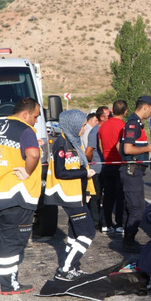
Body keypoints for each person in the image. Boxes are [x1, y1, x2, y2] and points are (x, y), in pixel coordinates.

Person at [0, 97, 41, 295]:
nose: (36, 121)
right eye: (35, 117)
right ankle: (9, 284)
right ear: (25, 114)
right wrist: (28, 171)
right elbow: (34, 155)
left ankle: (6, 277)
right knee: (13, 241)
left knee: (0, 238)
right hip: (14, 196)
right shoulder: (25, 130)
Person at [45, 109, 98, 281]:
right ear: (73, 125)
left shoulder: (74, 142)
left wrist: (87, 190)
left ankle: (73, 267)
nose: (84, 129)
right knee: (88, 232)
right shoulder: (62, 144)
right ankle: (65, 269)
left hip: (78, 194)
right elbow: (61, 172)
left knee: (75, 234)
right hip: (69, 196)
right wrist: (85, 174)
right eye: (82, 126)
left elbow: (79, 166)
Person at [119, 95, 151, 253]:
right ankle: (128, 242)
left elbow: (119, 147)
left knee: (131, 207)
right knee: (137, 208)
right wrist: (147, 149)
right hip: (132, 171)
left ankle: (128, 240)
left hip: (133, 171)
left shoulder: (136, 124)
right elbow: (128, 149)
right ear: (146, 107)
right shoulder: (133, 125)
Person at [99, 100, 127, 234]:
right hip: (119, 164)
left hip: (107, 163)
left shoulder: (103, 126)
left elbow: (100, 144)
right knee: (120, 196)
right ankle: (120, 224)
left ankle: (106, 223)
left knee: (108, 196)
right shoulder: (124, 126)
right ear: (125, 112)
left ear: (112, 110)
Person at [85, 106, 109, 230]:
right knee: (96, 197)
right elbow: (89, 151)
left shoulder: (103, 129)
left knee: (103, 196)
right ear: (101, 117)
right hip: (97, 169)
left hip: (103, 168)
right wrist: (92, 162)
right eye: (107, 116)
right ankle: (94, 222)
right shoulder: (95, 131)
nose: (109, 118)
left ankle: (103, 221)